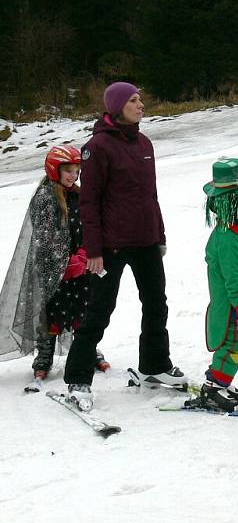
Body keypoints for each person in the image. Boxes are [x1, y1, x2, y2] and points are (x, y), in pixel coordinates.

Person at [63, 82, 185, 411]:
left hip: (146, 241)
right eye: (133, 100)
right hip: (111, 246)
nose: (140, 104)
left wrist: (159, 235)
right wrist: (94, 250)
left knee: (156, 305)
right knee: (98, 312)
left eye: (140, 99)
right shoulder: (98, 147)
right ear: (117, 106)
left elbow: (150, 196)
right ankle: (78, 378)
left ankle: (155, 367)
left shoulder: (144, 142)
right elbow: (88, 203)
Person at [0, 146, 104, 379]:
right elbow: (45, 236)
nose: (73, 175)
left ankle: (85, 349)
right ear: (54, 169)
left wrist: (87, 252)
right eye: (68, 170)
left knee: (84, 309)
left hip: (81, 267)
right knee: (52, 310)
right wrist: (63, 260)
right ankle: (44, 353)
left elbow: (90, 225)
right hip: (52, 268)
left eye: (77, 170)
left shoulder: (78, 195)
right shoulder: (45, 197)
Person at [196, 158, 238, 412]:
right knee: (235, 344)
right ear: (233, 202)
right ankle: (213, 387)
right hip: (235, 306)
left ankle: (222, 379)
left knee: (236, 343)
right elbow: (233, 279)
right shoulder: (228, 238)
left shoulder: (235, 231)